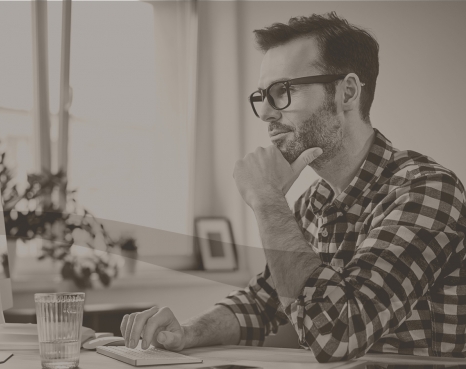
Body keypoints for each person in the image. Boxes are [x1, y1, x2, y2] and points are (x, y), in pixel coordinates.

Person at [120, 12, 466, 362]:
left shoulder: (426, 190)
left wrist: (266, 199)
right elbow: (260, 302)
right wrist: (187, 332)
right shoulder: (313, 203)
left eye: (283, 91)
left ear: (346, 92)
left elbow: (339, 334)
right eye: (261, 95)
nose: (267, 113)